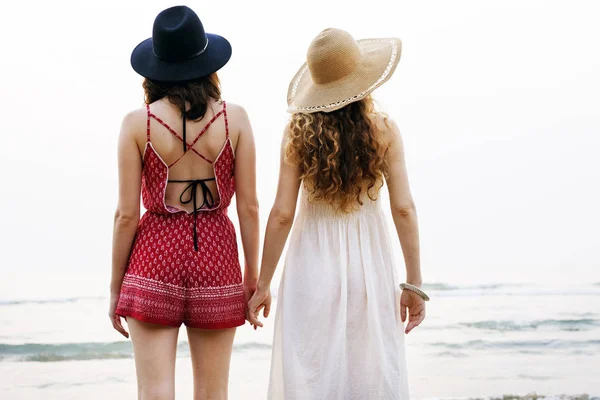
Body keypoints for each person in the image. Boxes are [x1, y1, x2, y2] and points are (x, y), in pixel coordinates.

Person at [248, 28, 428, 399]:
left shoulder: (296, 135)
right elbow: (404, 209)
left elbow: (282, 214)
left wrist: (263, 284)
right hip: (369, 264)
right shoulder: (384, 131)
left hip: (310, 264)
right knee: (369, 371)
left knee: (312, 371)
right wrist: (413, 283)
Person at [108, 6, 259, 400]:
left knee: (154, 391)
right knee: (213, 392)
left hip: (154, 253)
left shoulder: (136, 123)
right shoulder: (235, 119)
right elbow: (250, 207)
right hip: (217, 253)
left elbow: (126, 215)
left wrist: (115, 288)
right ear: (208, 62)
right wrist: (253, 277)